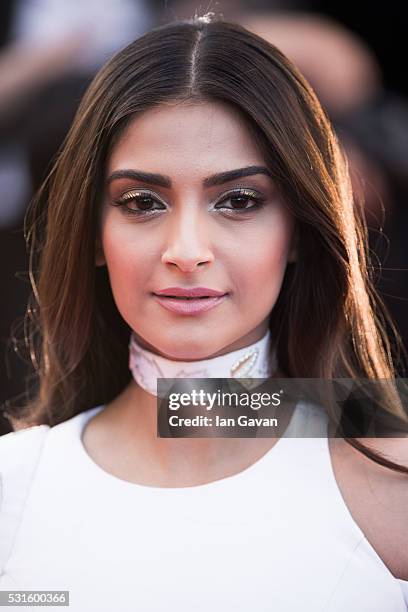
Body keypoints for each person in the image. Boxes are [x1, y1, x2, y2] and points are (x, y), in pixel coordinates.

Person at [0, 14, 407, 611]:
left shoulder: (391, 471)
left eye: (239, 201)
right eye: (141, 202)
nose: (186, 251)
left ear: (298, 229)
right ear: (92, 232)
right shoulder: (15, 487)